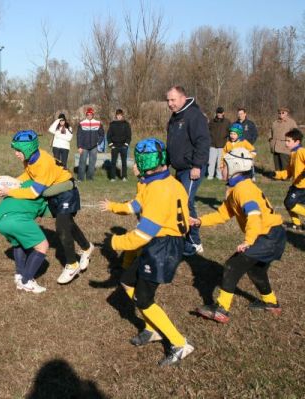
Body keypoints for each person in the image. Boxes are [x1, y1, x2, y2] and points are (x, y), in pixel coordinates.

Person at [105, 138, 193, 366]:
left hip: (164, 247)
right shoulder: (168, 182)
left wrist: (114, 243)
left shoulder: (157, 190)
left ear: (143, 164)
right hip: (162, 243)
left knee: (143, 300)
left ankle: (179, 343)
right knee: (126, 281)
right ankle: (151, 328)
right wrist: (115, 206)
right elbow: (138, 204)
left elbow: (141, 236)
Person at [193, 148, 286, 323]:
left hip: (268, 235)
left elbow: (253, 215)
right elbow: (222, 215)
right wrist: (199, 221)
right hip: (271, 234)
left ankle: (221, 309)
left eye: (224, 165)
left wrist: (248, 241)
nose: (221, 168)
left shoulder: (243, 190)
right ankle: (271, 302)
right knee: (256, 270)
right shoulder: (237, 189)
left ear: (235, 166)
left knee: (232, 265)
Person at [0, 130, 94, 285]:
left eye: (18, 150)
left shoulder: (43, 163)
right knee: (68, 223)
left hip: (66, 191)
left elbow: (34, 192)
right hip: (53, 193)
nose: (15, 153)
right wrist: (14, 182)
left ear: (28, 149)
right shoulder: (30, 159)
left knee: (62, 226)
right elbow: (29, 175)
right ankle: (87, 247)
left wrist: (11, 191)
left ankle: (72, 264)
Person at [165, 85, 210, 256]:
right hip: (179, 168)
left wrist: (197, 165)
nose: (170, 103)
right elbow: (171, 143)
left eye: (173, 100)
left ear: (183, 98)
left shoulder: (194, 115)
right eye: (168, 100)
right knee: (176, 202)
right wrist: (166, 163)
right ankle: (179, 237)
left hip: (192, 168)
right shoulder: (175, 117)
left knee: (185, 202)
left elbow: (203, 141)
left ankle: (194, 242)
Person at [0, 179, 50, 293]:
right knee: (43, 246)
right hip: (16, 219)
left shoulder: (25, 182)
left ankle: (19, 276)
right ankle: (26, 281)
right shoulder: (46, 186)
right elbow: (48, 210)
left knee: (18, 243)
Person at [273, 128, 305, 230]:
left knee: (289, 203)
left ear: (297, 142)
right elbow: (289, 172)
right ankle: (297, 224)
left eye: (288, 141)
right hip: (296, 185)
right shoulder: (293, 153)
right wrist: (275, 174)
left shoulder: (301, 151)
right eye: (285, 140)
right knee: (288, 203)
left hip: (302, 186)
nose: (286, 143)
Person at [76, 107, 104, 181]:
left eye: (90, 114)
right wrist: (79, 147)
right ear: (86, 115)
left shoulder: (98, 123)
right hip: (84, 146)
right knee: (82, 162)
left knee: (92, 163)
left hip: (94, 146)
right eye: (88, 114)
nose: (89, 116)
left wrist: (98, 143)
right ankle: (80, 178)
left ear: (93, 115)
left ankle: (90, 178)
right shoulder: (82, 123)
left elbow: (102, 135)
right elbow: (79, 136)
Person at [269, 107, 298, 172]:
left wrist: (291, 143)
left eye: (283, 112)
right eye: (279, 113)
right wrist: (270, 140)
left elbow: (296, 134)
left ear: (286, 113)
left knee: (285, 163)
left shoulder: (291, 122)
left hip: (285, 146)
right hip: (275, 145)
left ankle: (286, 177)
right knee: (277, 164)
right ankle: (278, 176)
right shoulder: (275, 122)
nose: (281, 114)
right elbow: (270, 132)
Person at [107, 109, 132, 181]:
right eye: (118, 115)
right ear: (116, 116)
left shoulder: (126, 124)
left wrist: (126, 145)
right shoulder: (112, 124)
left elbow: (129, 136)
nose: (119, 117)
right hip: (115, 146)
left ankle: (124, 177)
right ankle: (112, 177)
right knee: (113, 162)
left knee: (124, 162)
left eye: (120, 115)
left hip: (123, 146)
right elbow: (108, 136)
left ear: (122, 115)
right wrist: (111, 145)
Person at [207, 107, 231, 180]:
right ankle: (210, 175)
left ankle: (219, 175)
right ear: (216, 113)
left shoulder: (227, 122)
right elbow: (207, 131)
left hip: (222, 145)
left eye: (220, 113)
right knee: (211, 162)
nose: (219, 114)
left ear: (223, 113)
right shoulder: (212, 121)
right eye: (218, 113)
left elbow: (230, 132)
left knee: (220, 162)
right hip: (212, 145)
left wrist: (229, 143)